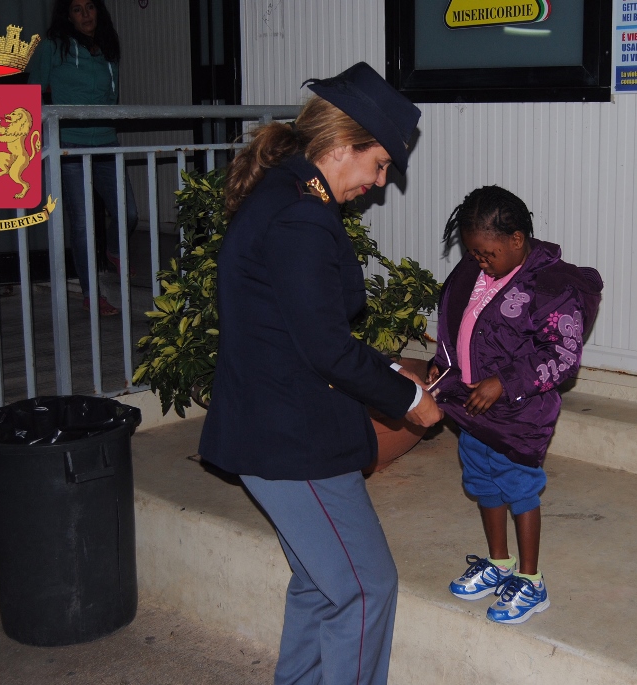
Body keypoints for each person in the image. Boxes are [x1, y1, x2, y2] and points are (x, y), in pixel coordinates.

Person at [198, 62, 444, 684]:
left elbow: (296, 326)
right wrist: (407, 397)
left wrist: (386, 368)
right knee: (365, 590)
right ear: (341, 147)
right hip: (292, 436)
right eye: (380, 164)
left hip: (274, 422)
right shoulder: (302, 215)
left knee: (318, 583)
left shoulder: (284, 193)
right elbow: (324, 348)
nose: (382, 182)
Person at [426, 186, 603, 624]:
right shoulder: (476, 274)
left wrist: (505, 384)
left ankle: (531, 579)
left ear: (517, 240)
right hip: (471, 410)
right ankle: (499, 563)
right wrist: (442, 366)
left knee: (520, 489)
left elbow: (562, 355)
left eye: (486, 252)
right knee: (484, 483)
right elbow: (460, 329)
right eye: (472, 252)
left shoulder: (550, 287)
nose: (478, 261)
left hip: (519, 415)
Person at [30, 0, 139, 316]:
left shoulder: (107, 46)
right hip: (69, 146)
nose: (85, 14)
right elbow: (32, 90)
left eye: (90, 7)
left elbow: (111, 95)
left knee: (129, 212)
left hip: (106, 142)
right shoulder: (54, 46)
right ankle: (93, 296)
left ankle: (115, 250)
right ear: (68, 16)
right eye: (77, 9)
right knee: (81, 224)